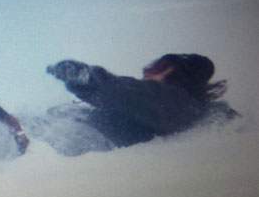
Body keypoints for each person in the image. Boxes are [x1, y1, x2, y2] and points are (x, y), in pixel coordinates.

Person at [45, 54, 238, 151]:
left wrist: (86, 77)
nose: (146, 70)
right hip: (72, 137)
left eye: (157, 66)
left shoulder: (175, 101)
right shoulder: (173, 107)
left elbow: (123, 92)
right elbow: (119, 96)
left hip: (77, 142)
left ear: (177, 76)